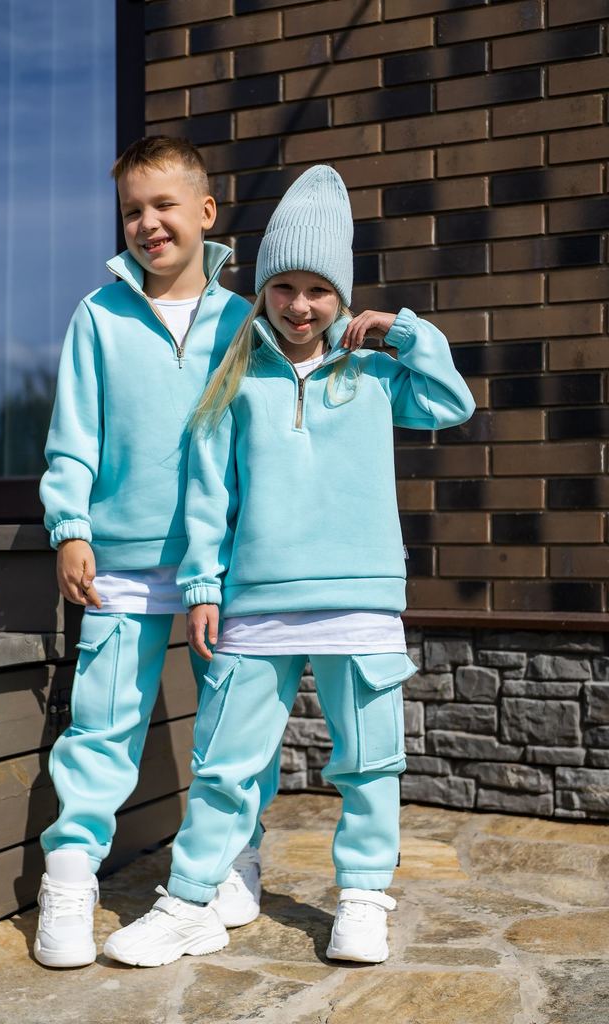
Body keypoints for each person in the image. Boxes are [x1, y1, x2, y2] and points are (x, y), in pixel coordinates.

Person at [103, 165, 475, 968]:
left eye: (318, 290)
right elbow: (209, 496)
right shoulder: (235, 382)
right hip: (256, 602)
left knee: (369, 764)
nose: (299, 305)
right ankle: (190, 901)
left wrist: (401, 331)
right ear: (263, 289)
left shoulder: (375, 374)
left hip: (361, 600)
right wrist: (202, 586)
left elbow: (452, 403)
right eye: (283, 287)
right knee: (224, 767)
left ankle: (364, 899)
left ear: (342, 296)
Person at [34, 136, 279, 969]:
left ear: (205, 212)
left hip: (230, 564)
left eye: (164, 205)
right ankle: (71, 879)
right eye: (132, 210)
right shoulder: (98, 317)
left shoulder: (247, 321)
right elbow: (74, 434)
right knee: (101, 725)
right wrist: (71, 527)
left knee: (233, 727)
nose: (148, 223)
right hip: (122, 561)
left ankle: (234, 859)